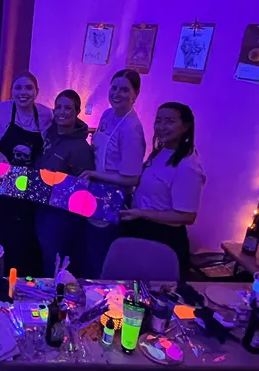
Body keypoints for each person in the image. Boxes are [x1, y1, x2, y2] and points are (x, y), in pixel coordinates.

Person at [120, 102, 205, 277]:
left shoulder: (187, 166)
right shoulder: (161, 152)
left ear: (186, 126)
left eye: (169, 121)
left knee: (151, 294)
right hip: (140, 228)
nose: (161, 127)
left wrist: (142, 213)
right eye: (158, 121)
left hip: (162, 237)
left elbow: (187, 216)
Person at [0, 72, 53, 275]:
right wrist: (0, 156)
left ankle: (20, 278)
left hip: (28, 185)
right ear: (12, 91)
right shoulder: (1, 110)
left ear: (37, 91)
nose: (23, 93)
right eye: (18, 88)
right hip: (1, 180)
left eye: (29, 88)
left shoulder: (46, 115)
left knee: (22, 235)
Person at [81, 69, 147, 278]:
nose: (117, 93)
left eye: (125, 90)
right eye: (115, 87)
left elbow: (131, 178)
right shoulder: (108, 114)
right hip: (95, 190)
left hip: (112, 196)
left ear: (135, 94)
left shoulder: (131, 129)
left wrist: (94, 174)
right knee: (87, 246)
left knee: (99, 252)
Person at [35, 90, 95, 276]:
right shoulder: (50, 135)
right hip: (41, 208)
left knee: (54, 262)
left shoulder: (81, 148)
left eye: (68, 108)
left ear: (77, 111)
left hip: (60, 217)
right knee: (43, 257)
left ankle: (52, 300)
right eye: (58, 107)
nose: (61, 111)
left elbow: (81, 191)